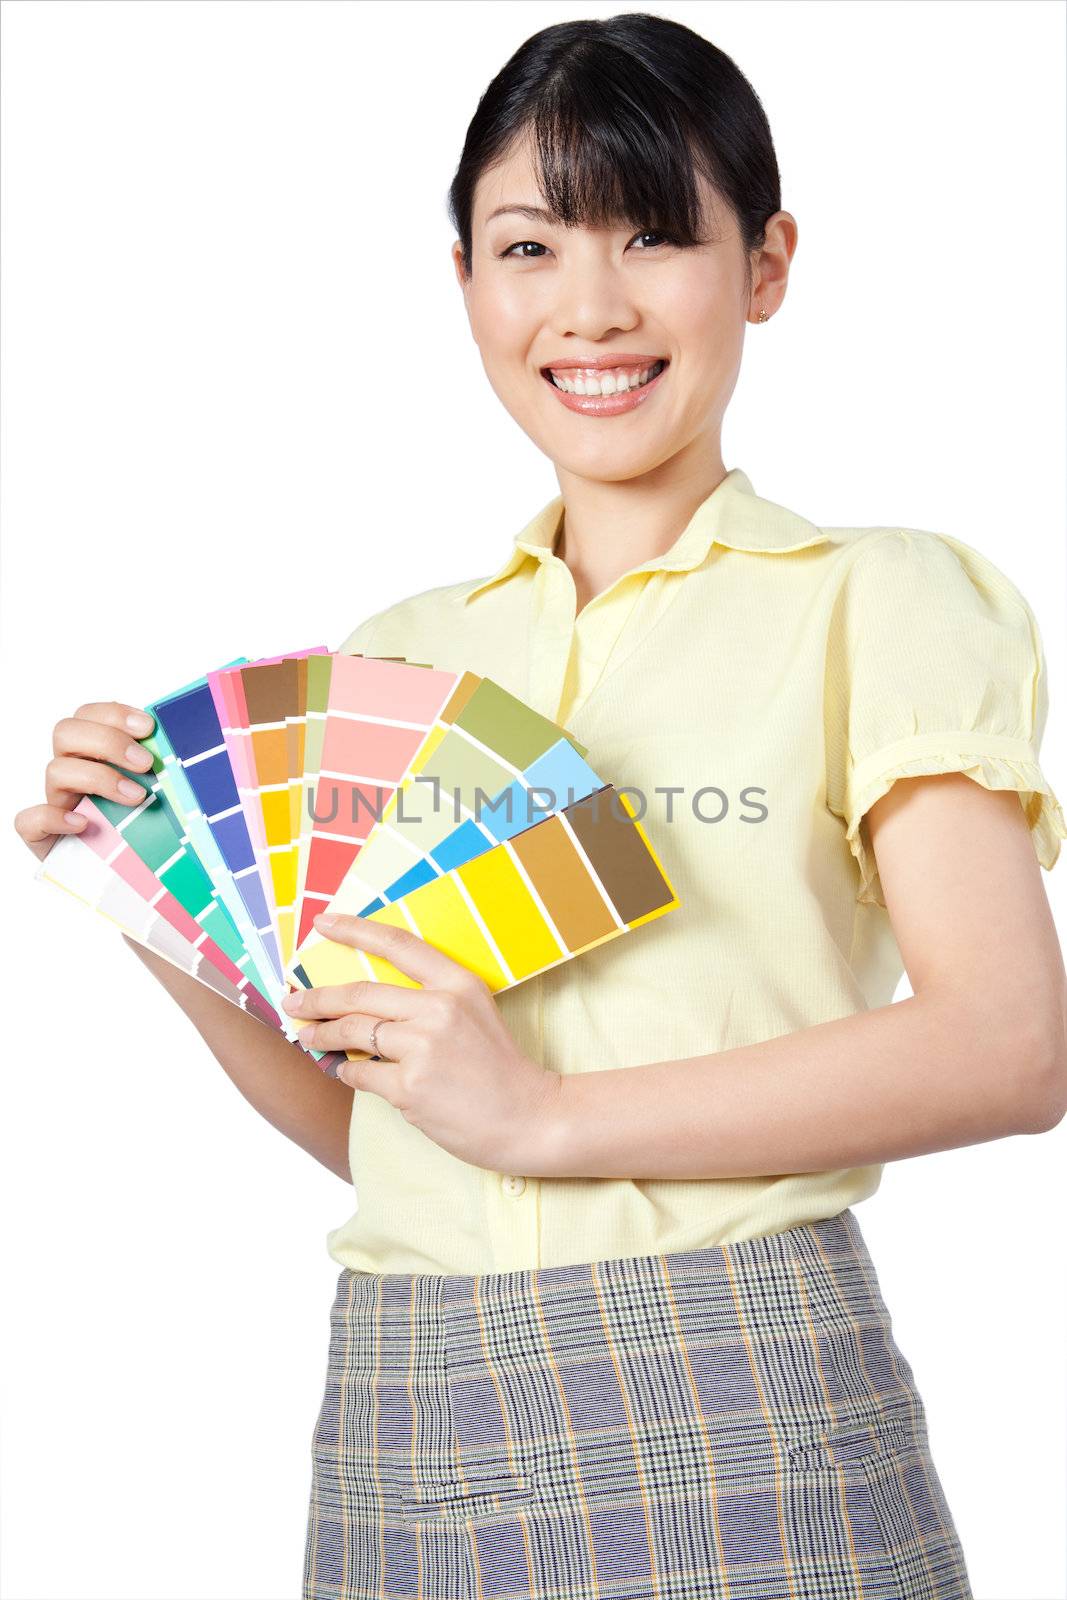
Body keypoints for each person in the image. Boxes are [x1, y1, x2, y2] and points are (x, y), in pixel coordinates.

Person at [15, 13, 1067, 1599]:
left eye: (656, 233)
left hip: (737, 1386)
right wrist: (147, 891)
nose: (590, 308)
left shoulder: (883, 600)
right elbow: (378, 1128)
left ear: (766, 264)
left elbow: (1012, 1044)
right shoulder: (398, 655)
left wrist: (548, 1119)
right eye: (529, 245)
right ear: (464, 283)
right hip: (398, 1403)